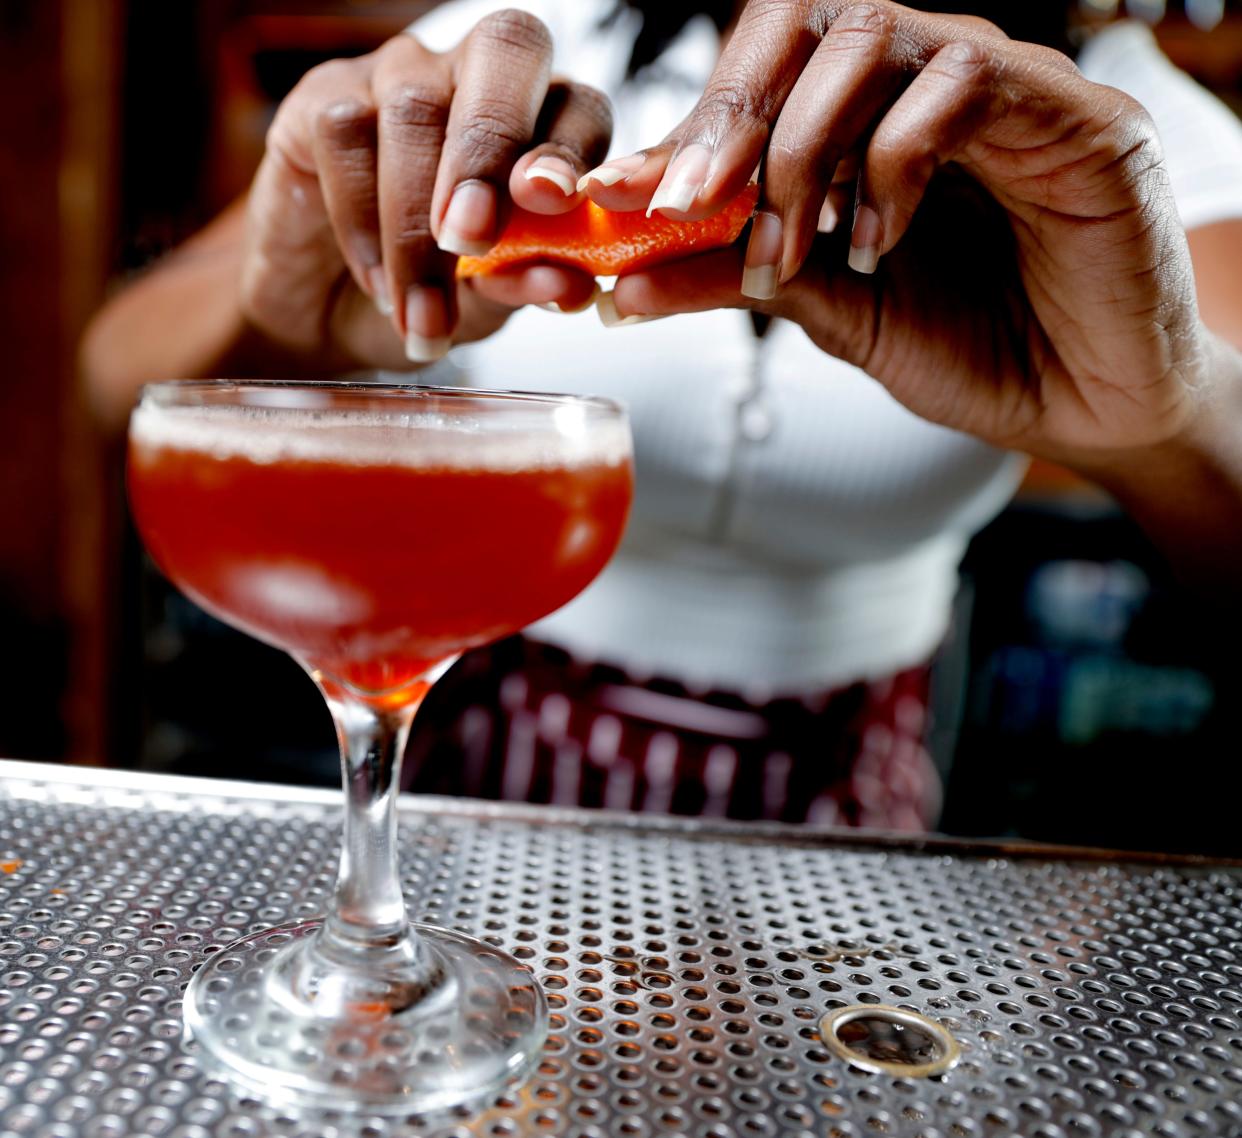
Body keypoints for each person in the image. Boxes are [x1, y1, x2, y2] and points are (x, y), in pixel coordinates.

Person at [81, 1, 1242, 826]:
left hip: (857, 798)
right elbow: (107, 369)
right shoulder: (523, 50)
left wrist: (1167, 413)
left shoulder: (1127, 135)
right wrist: (280, 316)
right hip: (484, 761)